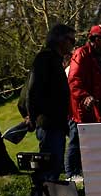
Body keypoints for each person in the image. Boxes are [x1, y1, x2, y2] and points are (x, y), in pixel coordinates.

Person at [23, 23, 76, 181]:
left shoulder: (54, 60)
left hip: (57, 123)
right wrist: (32, 116)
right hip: (48, 123)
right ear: (60, 40)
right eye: (71, 40)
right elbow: (33, 90)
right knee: (48, 170)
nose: (73, 45)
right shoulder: (45, 58)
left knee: (53, 168)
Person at [66, 24, 101, 181]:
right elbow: (74, 80)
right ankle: (71, 174)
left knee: (96, 141)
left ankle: (89, 170)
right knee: (76, 139)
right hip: (82, 110)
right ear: (98, 40)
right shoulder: (81, 54)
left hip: (100, 107)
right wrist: (84, 97)